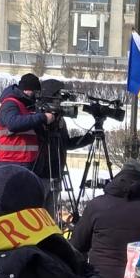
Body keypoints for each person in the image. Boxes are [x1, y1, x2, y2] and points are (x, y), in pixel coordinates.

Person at [31, 79, 95, 214]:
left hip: (57, 173)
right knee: (37, 215)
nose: (60, 102)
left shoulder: (60, 120)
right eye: (57, 99)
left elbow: (65, 144)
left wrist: (88, 139)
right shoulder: (37, 118)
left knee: (51, 216)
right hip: (41, 175)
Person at [0, 73, 55, 168]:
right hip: (11, 162)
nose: (35, 96)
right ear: (26, 89)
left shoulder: (25, 106)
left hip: (24, 161)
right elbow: (13, 123)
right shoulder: (10, 103)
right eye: (34, 92)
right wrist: (43, 117)